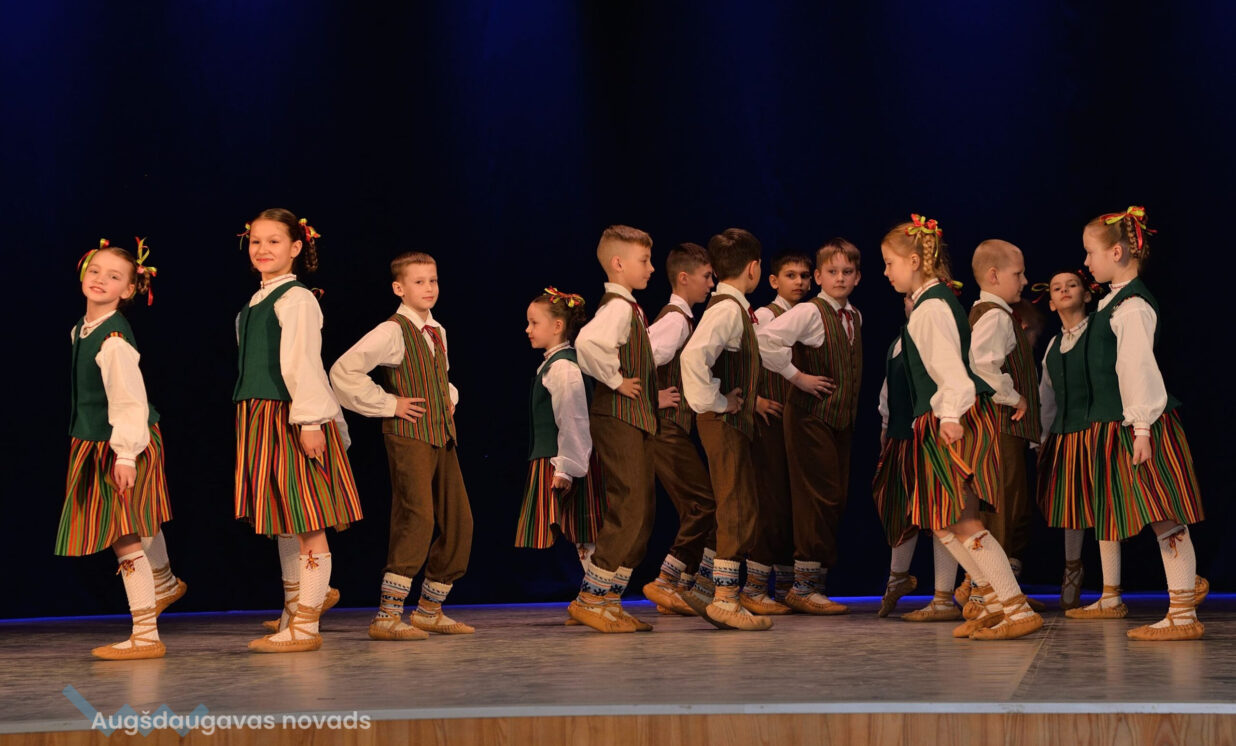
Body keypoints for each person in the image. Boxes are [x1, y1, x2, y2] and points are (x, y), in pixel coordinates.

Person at [235, 209, 362, 653]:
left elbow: (303, 363)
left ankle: (306, 625)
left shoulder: (296, 299)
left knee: (307, 516)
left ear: (295, 248)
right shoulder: (258, 301)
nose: (262, 249)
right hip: (261, 416)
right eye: (255, 241)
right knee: (285, 517)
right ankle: (296, 609)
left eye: (273, 241)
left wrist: (310, 422)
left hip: (289, 414)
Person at [330, 251, 475, 640]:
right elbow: (344, 371)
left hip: (441, 434)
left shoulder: (437, 330)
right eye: (419, 281)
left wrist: (449, 397)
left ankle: (429, 609)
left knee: (459, 521)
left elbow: (440, 377)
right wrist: (389, 404)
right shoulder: (392, 331)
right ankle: (388, 615)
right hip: (408, 436)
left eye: (433, 280)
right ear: (399, 288)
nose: (429, 288)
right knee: (417, 517)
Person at [59, 239, 182, 660]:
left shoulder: (112, 341)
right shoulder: (82, 329)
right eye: (95, 271)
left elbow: (129, 401)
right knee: (133, 522)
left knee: (123, 533)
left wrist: (126, 455)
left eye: (113, 276)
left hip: (120, 442)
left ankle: (146, 634)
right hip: (96, 441)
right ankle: (164, 582)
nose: (100, 280)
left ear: (128, 290)